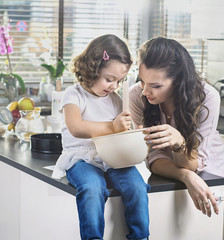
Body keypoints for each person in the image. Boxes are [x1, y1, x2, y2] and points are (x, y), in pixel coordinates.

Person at [51, 34, 150, 240]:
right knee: (92, 188)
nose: (114, 86)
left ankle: (140, 236)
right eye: (109, 79)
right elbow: (76, 127)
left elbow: (120, 134)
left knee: (138, 186)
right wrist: (112, 126)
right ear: (92, 69)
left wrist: (133, 132)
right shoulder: (74, 94)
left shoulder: (115, 99)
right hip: (81, 158)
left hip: (113, 157)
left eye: (119, 81)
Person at [129, 37, 224, 217]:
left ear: (177, 81)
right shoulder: (137, 95)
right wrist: (185, 176)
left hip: (210, 177)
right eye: (142, 81)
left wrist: (179, 143)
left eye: (155, 86)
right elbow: (153, 157)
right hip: (170, 175)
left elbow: (195, 163)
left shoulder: (207, 97)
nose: (145, 91)